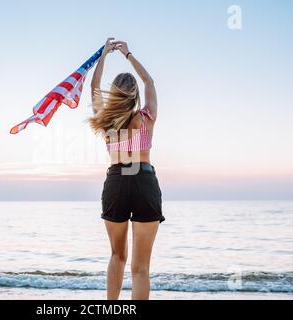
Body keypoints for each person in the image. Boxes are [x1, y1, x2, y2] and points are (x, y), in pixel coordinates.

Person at [88, 37, 165, 300]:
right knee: (140, 268)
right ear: (135, 94)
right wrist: (128, 54)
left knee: (117, 256)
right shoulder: (146, 118)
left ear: (116, 92)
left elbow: (95, 86)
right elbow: (150, 82)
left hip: (117, 182)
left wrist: (103, 56)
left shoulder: (107, 120)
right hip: (143, 180)